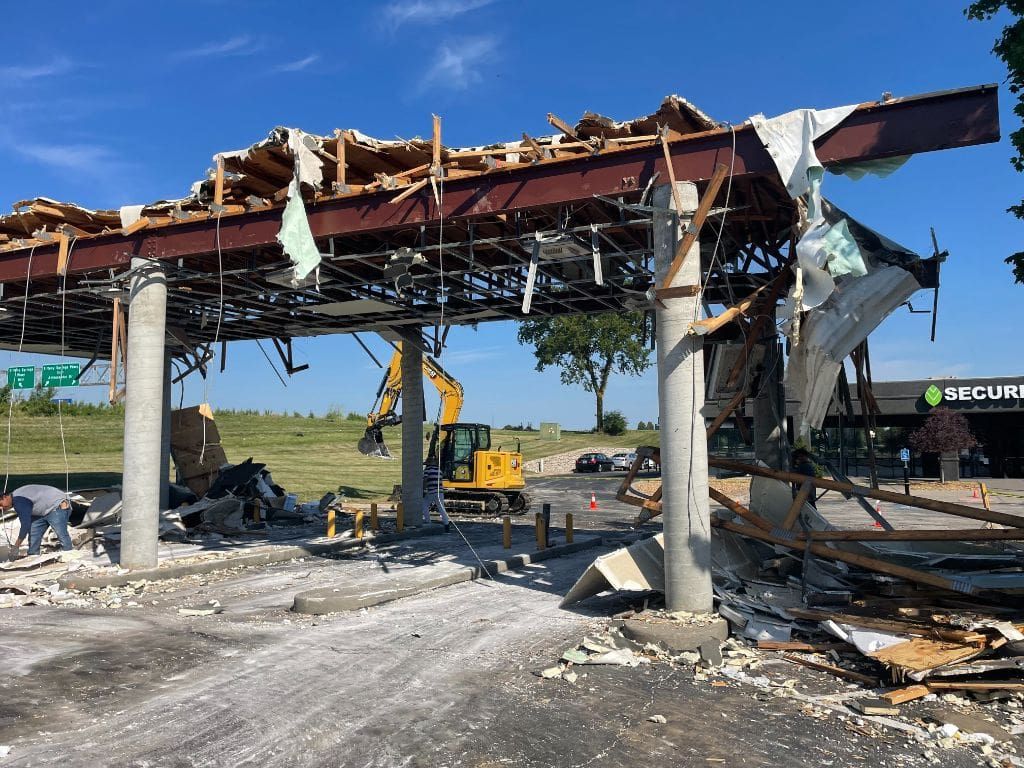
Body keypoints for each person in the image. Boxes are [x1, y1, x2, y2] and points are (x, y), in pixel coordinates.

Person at [0, 485, 73, 556]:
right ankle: (33, 555)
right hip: (41, 511)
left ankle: (68, 553)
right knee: (33, 534)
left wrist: (16, 546)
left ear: (4, 497)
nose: (1, 508)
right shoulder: (16, 499)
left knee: (61, 533)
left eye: (1, 504)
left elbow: (25, 525)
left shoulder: (19, 501)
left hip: (56, 505)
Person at [422, 455, 450, 532]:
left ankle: (428, 521)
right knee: (441, 508)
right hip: (440, 492)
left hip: (431, 491)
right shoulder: (439, 470)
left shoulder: (427, 470)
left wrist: (423, 490)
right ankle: (446, 524)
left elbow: (425, 480)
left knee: (424, 505)